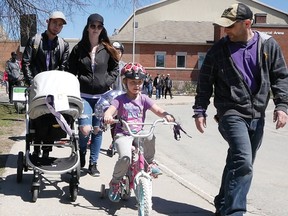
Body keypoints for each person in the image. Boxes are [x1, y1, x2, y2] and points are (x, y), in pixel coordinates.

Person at [192, 3, 288, 216]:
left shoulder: (267, 45)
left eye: (230, 26)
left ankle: (223, 202)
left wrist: (282, 105)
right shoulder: (219, 50)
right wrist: (200, 110)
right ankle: (234, 212)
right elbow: (205, 81)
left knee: (238, 161)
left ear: (247, 23)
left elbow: (280, 76)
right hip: (230, 112)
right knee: (243, 161)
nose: (226, 31)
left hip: (257, 114)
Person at [103, 62, 175, 202]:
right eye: (132, 82)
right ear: (125, 82)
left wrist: (166, 114)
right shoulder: (120, 99)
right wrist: (108, 115)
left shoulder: (144, 98)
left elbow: (158, 110)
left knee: (149, 135)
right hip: (123, 134)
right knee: (125, 157)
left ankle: (150, 162)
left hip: (139, 132)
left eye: (139, 82)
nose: (137, 85)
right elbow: (111, 109)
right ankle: (116, 182)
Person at [67, 13, 119, 177]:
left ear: (102, 28)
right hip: (83, 95)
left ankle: (93, 163)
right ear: (88, 27)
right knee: (85, 129)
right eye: (93, 26)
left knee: (97, 130)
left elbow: (115, 69)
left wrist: (106, 81)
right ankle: (82, 152)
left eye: (99, 26)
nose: (96, 29)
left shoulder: (107, 48)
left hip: (102, 97)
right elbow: (70, 71)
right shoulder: (78, 48)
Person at [22, 11, 69, 158]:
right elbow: (26, 62)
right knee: (38, 117)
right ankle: (36, 149)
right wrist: (31, 82)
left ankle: (47, 151)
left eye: (60, 25)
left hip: (54, 88)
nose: (57, 27)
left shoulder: (63, 45)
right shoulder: (35, 41)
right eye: (55, 23)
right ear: (47, 22)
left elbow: (64, 67)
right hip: (38, 86)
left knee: (53, 118)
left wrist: (58, 84)